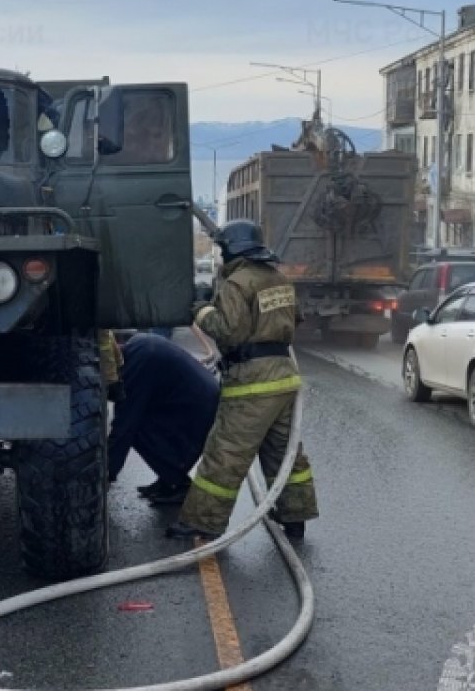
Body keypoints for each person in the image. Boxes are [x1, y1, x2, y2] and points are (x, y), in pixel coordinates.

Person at [167, 219, 319, 541]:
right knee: (285, 452)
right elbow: (296, 318)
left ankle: (202, 522)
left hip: (252, 382)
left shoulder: (238, 282)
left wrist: (202, 310)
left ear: (231, 248)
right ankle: (296, 517)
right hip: (283, 379)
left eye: (222, 248)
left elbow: (229, 331)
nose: (221, 254)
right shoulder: (279, 278)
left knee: (227, 451)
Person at [108, 333, 219, 503]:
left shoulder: (137, 365)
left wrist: (106, 474)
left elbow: (124, 423)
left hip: (199, 412)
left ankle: (177, 483)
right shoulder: (139, 345)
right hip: (198, 403)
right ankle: (167, 480)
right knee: (142, 420)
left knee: (138, 428)